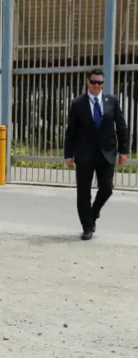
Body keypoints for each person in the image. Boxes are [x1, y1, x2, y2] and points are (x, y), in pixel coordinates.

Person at [63, 68, 129, 240]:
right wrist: (68, 154)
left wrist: (124, 151)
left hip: (107, 153)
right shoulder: (78, 103)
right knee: (83, 192)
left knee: (107, 188)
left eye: (100, 83)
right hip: (84, 154)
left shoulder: (112, 101)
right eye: (93, 82)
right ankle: (87, 227)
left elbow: (121, 127)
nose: (96, 86)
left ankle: (94, 213)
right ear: (87, 82)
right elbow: (72, 132)